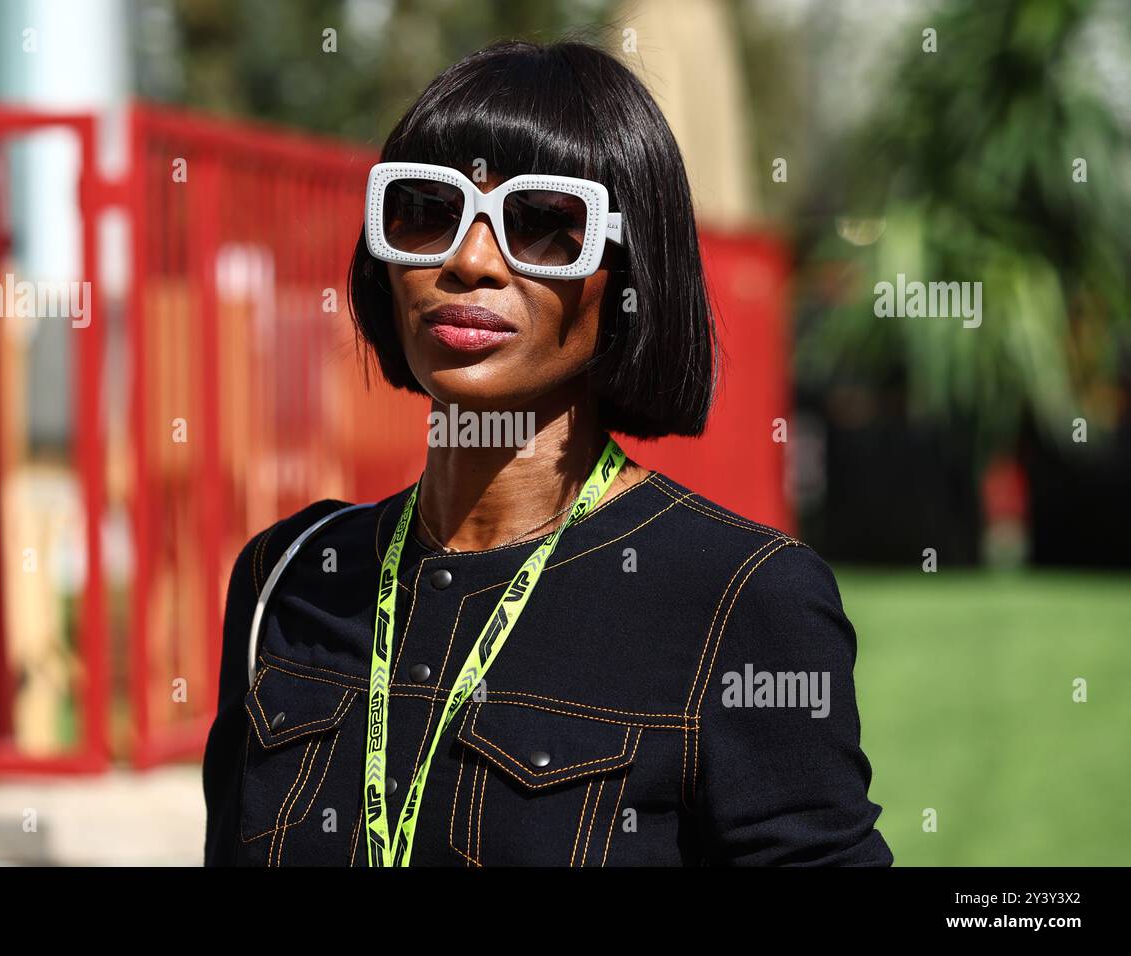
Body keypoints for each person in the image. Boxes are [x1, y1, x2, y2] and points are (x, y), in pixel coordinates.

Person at [203, 37, 892, 866]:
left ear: (630, 274)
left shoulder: (743, 601)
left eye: (541, 225)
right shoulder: (287, 577)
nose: (468, 260)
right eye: (426, 208)